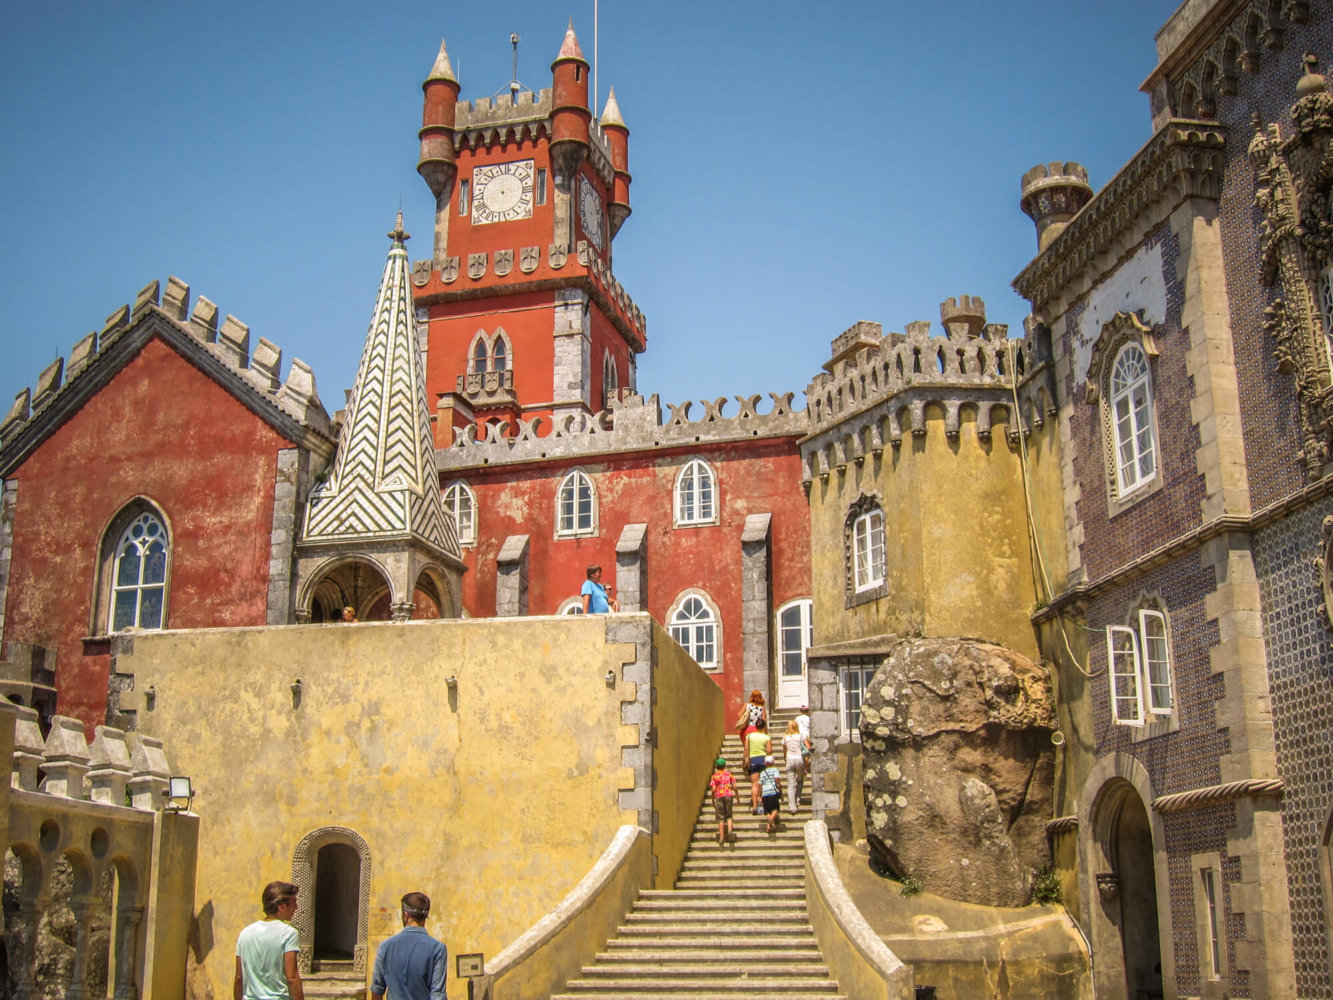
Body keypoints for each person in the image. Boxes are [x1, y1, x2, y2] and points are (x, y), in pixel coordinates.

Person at [370, 892, 447, 1000]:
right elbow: (438, 995)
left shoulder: (385, 947)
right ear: (425, 917)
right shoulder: (437, 949)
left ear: (405, 915)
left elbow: (377, 991)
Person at [235, 881, 303, 1000]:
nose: (296, 907)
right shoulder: (288, 933)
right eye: (293, 903)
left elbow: (239, 977)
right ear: (281, 906)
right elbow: (292, 977)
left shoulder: (245, 933)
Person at [781, 719, 810, 815]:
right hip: (799, 759)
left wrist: (785, 759)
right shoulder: (800, 736)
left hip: (789, 759)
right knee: (800, 780)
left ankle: (792, 807)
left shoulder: (785, 738)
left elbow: (784, 751)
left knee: (790, 784)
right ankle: (797, 799)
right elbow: (808, 747)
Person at [744, 718, 771, 813]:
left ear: (755, 726)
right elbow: (769, 751)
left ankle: (755, 805)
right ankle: (761, 801)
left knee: (754, 784)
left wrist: (745, 759)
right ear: (763, 727)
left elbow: (746, 749)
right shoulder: (766, 737)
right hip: (763, 760)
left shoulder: (749, 736)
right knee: (762, 783)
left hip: (753, 760)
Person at [708, 757, 736, 846]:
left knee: (720, 817)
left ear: (716, 766)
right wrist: (737, 796)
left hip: (719, 797)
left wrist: (713, 799)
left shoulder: (714, 776)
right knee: (729, 815)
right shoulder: (729, 775)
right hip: (728, 795)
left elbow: (713, 789)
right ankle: (730, 830)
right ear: (724, 766)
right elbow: (734, 786)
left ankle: (722, 837)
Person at [734, 690, 766, 759]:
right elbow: (764, 721)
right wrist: (766, 734)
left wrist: (745, 720)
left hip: (746, 729)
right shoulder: (762, 708)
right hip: (756, 730)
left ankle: (746, 762)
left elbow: (739, 715)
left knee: (746, 749)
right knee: (755, 750)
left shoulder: (747, 705)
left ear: (751, 697)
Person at [759, 754, 783, 833]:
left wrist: (759, 795)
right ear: (773, 762)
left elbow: (760, 784)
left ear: (765, 763)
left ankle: (768, 827)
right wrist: (779, 785)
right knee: (775, 809)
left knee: (767, 811)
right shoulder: (775, 769)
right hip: (773, 792)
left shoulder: (762, 772)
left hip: (765, 793)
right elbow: (776, 778)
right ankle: (770, 820)